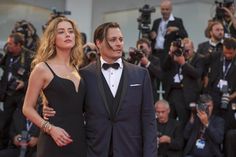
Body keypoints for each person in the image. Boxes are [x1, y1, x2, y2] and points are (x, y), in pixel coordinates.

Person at [44, 22, 158, 157]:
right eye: (113, 40)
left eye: (121, 39)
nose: (119, 43)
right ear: (98, 43)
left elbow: (149, 119)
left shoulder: (140, 74)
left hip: (131, 149)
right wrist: (50, 109)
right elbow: (73, 110)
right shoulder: (83, 75)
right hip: (95, 150)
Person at [22, 16, 87, 157]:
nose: (68, 34)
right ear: (52, 38)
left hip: (80, 139)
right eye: (61, 32)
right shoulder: (42, 69)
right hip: (54, 139)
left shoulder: (78, 67)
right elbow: (27, 108)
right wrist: (50, 129)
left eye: (70, 31)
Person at [0, 32, 33, 149]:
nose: (8, 46)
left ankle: (18, 146)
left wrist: (24, 84)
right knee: (4, 123)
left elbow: (37, 78)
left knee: (19, 123)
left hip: (22, 97)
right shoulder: (8, 54)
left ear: (19, 45)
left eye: (10, 44)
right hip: (8, 94)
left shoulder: (30, 57)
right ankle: (3, 147)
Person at [162, 38, 204, 127]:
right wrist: (171, 52)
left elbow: (197, 74)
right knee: (170, 122)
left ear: (193, 49)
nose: (186, 53)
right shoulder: (177, 55)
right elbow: (165, 67)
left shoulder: (199, 58)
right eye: (184, 50)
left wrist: (184, 64)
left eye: (188, 50)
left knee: (183, 123)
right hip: (173, 93)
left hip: (187, 95)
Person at [149, 0, 188, 65]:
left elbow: (185, 35)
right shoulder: (156, 21)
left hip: (168, 54)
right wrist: (151, 35)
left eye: (167, 9)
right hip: (155, 53)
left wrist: (176, 30)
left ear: (171, 9)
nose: (164, 11)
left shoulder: (177, 21)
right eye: (163, 9)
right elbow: (151, 36)